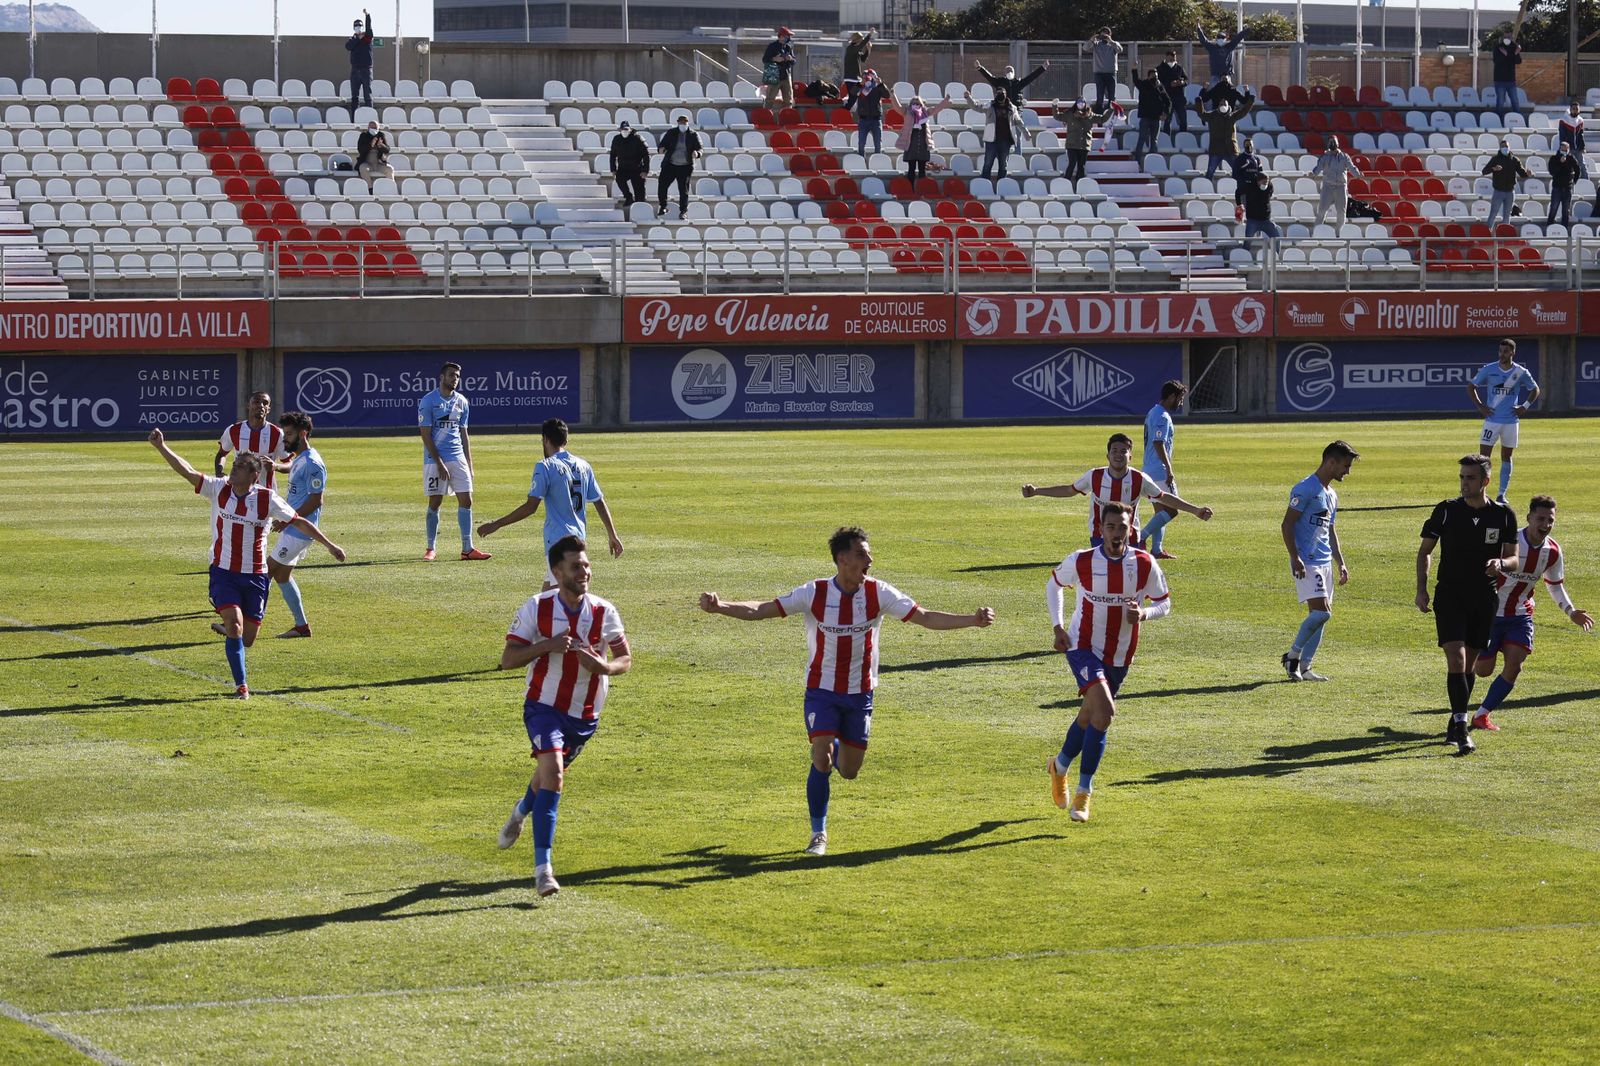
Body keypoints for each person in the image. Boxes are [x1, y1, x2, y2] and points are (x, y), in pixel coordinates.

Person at [698, 526, 995, 856]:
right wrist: (721, 605)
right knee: (821, 757)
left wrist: (972, 620)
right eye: (861, 554)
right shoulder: (815, 592)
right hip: (821, 691)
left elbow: (925, 618)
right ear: (842, 559)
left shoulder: (879, 593)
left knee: (850, 770)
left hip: (860, 694)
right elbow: (763, 609)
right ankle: (818, 833)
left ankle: (834, 741)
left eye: (868, 553)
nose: (870, 559)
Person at [148, 428, 345, 700]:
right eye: (234, 465)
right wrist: (162, 447)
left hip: (255, 576)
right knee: (235, 625)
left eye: (240, 467)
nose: (233, 470)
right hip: (224, 572)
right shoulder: (219, 489)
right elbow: (188, 471)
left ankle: (234, 636)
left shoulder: (266, 498)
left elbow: (298, 521)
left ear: (253, 476)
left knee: (248, 638)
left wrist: (330, 545)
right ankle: (242, 686)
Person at [495, 535, 631, 898]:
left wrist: (605, 666)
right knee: (554, 773)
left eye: (586, 564)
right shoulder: (536, 607)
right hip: (543, 706)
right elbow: (508, 659)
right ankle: (544, 871)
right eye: (576, 566)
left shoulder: (604, 611)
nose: (584, 571)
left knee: (546, 778)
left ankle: (521, 812)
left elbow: (625, 659)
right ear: (557, 572)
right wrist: (548, 646)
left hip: (585, 715)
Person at [1044, 503, 1170, 823]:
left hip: (1120, 654)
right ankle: (1084, 794)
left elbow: (1164, 603)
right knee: (1106, 712)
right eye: (1110, 527)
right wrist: (1058, 626)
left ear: (1131, 530)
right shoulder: (1083, 560)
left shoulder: (1144, 563)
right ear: (1101, 529)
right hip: (1082, 647)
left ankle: (1059, 766)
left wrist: (1143, 613)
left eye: (1122, 527)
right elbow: (1054, 584)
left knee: (1090, 716)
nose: (1116, 533)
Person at [1416, 455, 1520, 755]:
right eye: (1462, 477)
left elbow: (1514, 558)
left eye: (1470, 478)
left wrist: (1501, 563)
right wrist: (1422, 590)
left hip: (1484, 597)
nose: (1464, 483)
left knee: (1471, 662)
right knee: (1457, 659)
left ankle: (1454, 717)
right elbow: (1425, 552)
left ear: (1485, 481)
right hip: (1450, 595)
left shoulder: (1503, 515)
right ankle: (1462, 729)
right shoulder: (1446, 511)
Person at [1471, 495, 1593, 732]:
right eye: (1541, 519)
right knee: (1483, 670)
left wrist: (1571, 611)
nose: (1546, 524)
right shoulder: (1511, 540)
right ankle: (1471, 654)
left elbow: (1555, 585)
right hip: (1491, 614)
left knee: (1514, 666)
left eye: (1551, 520)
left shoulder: (1553, 551)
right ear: (1529, 518)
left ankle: (1482, 714)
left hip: (1520, 615)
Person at [477, 417, 624, 587]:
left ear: (545, 439)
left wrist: (497, 524)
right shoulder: (584, 466)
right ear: (566, 440)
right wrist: (612, 534)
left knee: (561, 597)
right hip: (579, 539)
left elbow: (531, 507)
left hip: (558, 541)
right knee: (550, 595)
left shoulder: (545, 466)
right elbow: (599, 501)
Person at [1022, 431, 1214, 548]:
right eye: (1114, 451)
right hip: (1099, 537)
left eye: (1123, 451)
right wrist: (1037, 491)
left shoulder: (1139, 479)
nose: (1118, 455)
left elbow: (1164, 498)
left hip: (1131, 537)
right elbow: (1069, 490)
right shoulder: (1094, 476)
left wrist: (1195, 510)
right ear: (1107, 455)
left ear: (1130, 456)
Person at [1280, 441, 1359, 683]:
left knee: (1321, 615)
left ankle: (1305, 667)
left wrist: (1341, 562)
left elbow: (1330, 530)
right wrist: (1295, 558)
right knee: (1321, 614)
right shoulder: (1305, 489)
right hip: (1307, 560)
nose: (1347, 471)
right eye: (1345, 466)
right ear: (1331, 462)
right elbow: (1287, 524)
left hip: (1324, 562)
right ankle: (1292, 656)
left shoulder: (1331, 494)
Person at [264, 412, 329, 640]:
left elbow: (315, 500)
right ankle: (301, 626)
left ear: (303, 434)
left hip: (300, 530)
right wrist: (276, 467)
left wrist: (287, 519)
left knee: (265, 573)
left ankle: (248, 623)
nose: (285, 439)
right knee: (282, 576)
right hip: (294, 528)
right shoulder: (301, 457)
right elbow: (293, 467)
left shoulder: (313, 463)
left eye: (289, 434)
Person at [419, 361, 490, 562]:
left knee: (466, 500)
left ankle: (467, 549)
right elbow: (425, 435)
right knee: (436, 501)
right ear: (441, 377)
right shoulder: (428, 401)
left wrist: (469, 463)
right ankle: (430, 548)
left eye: (457, 376)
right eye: (451, 375)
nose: (455, 379)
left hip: (457, 457)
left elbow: (464, 434)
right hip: (434, 460)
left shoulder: (462, 402)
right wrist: (439, 463)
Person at [1469, 338, 1540, 503]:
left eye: (1506, 351)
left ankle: (1502, 494)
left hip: (1511, 421)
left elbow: (1535, 389)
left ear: (1513, 353)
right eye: (1500, 351)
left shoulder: (1520, 372)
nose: (1502, 354)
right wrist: (1480, 406)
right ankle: (1481, 492)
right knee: (1483, 458)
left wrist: (1525, 406)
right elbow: (1471, 386)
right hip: (1492, 420)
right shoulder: (1489, 369)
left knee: (1506, 457)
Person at [1137, 381, 1189, 559]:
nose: (1181, 403)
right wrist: (1169, 468)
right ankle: (1140, 538)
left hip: (1149, 468)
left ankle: (1157, 549)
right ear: (1172, 396)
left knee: (1161, 512)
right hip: (1158, 470)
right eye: (1180, 398)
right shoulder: (1163, 416)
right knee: (1173, 510)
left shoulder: (1153, 411)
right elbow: (1158, 443)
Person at [216, 390, 288, 493]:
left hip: (266, 494)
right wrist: (219, 472)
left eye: (265, 403)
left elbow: (290, 464)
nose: (261, 406)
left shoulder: (277, 433)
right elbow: (221, 454)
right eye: (256, 402)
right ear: (248, 406)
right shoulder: (234, 430)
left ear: (268, 409)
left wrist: (276, 466)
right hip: (238, 493)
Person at [1053, 98, 1113, 185]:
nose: (1081, 104)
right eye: (1079, 102)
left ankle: (1080, 185)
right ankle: (1065, 183)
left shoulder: (1090, 115)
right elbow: (1057, 116)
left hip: (1084, 145)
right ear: (1076, 104)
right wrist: (1054, 106)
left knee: (1081, 167)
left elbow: (1102, 119)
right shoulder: (1070, 114)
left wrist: (1111, 109)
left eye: (1082, 102)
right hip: (1072, 145)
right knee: (1072, 163)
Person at [1199, 89, 1253, 180]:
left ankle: (1240, 190)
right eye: (1221, 104)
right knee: (1210, 173)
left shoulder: (1233, 116)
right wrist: (1198, 101)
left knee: (1238, 172)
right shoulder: (1212, 116)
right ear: (1218, 106)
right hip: (1216, 150)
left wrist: (1251, 100)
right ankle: (1206, 187)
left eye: (1225, 104)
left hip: (1231, 150)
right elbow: (1202, 114)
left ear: (1228, 106)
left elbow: (1244, 110)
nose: (1223, 105)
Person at [897, 94, 952, 184]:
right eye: (914, 103)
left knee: (922, 170)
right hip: (911, 146)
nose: (916, 105)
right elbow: (897, 107)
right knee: (911, 169)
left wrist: (945, 100)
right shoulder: (907, 112)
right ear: (911, 104)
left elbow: (937, 108)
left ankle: (922, 188)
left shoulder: (925, 112)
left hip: (922, 146)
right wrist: (893, 95)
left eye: (918, 103)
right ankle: (911, 190)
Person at [656, 112, 701, 218]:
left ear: (687, 123)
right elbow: (663, 144)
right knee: (662, 185)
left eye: (684, 123)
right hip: (670, 164)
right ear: (677, 123)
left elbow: (700, 147)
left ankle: (683, 211)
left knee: (683, 190)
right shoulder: (671, 133)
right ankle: (663, 206)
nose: (683, 125)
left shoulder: (693, 134)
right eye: (681, 123)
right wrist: (661, 149)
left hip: (685, 166)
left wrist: (697, 153)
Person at [967, 89, 1019, 181]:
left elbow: (1018, 121)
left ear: (1006, 95)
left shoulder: (1012, 108)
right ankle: (984, 183)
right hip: (992, 140)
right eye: (998, 93)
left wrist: (1026, 132)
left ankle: (1001, 184)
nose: (1000, 95)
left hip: (1005, 141)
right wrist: (968, 98)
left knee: (1003, 165)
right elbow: (976, 107)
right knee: (988, 163)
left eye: (1002, 93)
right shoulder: (990, 106)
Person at [1310, 135, 1360, 227]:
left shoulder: (1344, 157)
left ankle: (1339, 233)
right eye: (1330, 142)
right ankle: (1317, 230)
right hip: (1328, 187)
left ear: (1338, 143)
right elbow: (1318, 167)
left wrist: (1357, 174)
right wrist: (1313, 174)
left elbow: (1351, 167)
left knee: (1341, 212)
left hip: (1341, 187)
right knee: (1321, 210)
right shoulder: (1324, 157)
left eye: (1334, 141)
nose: (1332, 143)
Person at [849, 69, 898, 157]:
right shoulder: (861, 86)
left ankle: (877, 162)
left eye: (870, 77)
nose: (868, 79)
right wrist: (860, 84)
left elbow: (886, 95)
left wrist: (881, 84)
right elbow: (853, 93)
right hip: (863, 120)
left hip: (876, 120)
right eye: (866, 77)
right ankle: (861, 161)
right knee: (861, 144)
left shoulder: (877, 87)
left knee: (878, 144)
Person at [1483, 141, 1528, 228]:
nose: (1505, 148)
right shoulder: (1495, 159)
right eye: (1503, 146)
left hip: (1510, 192)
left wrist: (1527, 174)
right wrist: (1494, 169)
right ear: (1500, 148)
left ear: (1509, 147)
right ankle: (1487, 233)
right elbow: (1484, 171)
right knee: (1493, 213)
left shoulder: (1514, 160)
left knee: (1507, 216)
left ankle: (1504, 235)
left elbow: (1522, 173)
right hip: (1498, 191)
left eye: (1506, 146)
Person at [608, 120, 649, 209]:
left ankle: (640, 210)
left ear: (630, 129)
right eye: (623, 129)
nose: (624, 131)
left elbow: (646, 155)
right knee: (619, 179)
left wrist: (645, 170)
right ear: (620, 130)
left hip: (637, 168)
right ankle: (628, 197)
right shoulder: (616, 139)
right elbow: (612, 155)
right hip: (623, 168)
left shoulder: (638, 138)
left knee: (640, 195)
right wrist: (613, 169)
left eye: (626, 129)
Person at [975, 59, 1049, 108]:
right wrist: (980, 68)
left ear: (1014, 73)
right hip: (1003, 109)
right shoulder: (1000, 82)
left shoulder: (1019, 82)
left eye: (1011, 71)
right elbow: (989, 77)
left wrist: (1042, 68)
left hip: (1016, 109)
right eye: (1007, 71)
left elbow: (1031, 77)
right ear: (1004, 73)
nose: (1009, 72)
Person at [1132, 68, 1169, 162]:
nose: (1155, 78)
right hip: (1145, 118)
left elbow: (1168, 101)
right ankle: (1137, 161)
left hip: (1156, 119)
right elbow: (1136, 81)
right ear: (1148, 76)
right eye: (1153, 76)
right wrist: (1134, 70)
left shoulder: (1160, 87)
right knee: (1142, 139)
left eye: (1156, 76)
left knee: (1154, 142)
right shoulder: (1144, 85)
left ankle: (1152, 161)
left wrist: (1165, 113)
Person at [1238, 172, 1281, 247]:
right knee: (1248, 242)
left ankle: (1277, 257)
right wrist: (1239, 204)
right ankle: (1244, 255)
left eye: (1266, 182)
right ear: (1258, 181)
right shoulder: (1250, 185)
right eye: (1263, 182)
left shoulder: (1269, 186)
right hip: (1253, 220)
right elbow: (1238, 192)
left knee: (1276, 240)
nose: (1265, 184)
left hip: (1266, 220)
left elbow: (1269, 194)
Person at [1087, 28, 1123, 111]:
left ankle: (1111, 115)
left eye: (1107, 34)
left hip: (1111, 73)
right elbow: (1085, 48)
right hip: (1099, 74)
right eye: (1103, 34)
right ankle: (1099, 117)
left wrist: (1110, 41)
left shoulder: (1114, 44)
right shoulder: (1096, 44)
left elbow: (1120, 50)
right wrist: (1092, 39)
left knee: (1112, 97)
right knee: (1100, 97)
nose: (1105, 36)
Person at [346, 9, 374, 116]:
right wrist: (357, 38)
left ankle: (369, 117)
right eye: (356, 26)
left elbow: (369, 28)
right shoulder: (352, 39)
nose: (358, 28)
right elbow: (348, 47)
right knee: (355, 97)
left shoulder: (367, 38)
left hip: (366, 70)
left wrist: (367, 16)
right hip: (355, 71)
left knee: (368, 96)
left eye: (360, 26)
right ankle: (354, 118)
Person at [1547, 143, 1581, 227]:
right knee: (1553, 209)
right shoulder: (1554, 158)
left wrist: (1574, 181)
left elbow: (1578, 169)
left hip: (1567, 188)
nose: (1564, 151)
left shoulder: (1571, 158)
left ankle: (1564, 229)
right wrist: (1560, 163)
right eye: (1563, 149)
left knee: (1566, 211)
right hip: (1557, 188)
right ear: (1559, 149)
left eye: (1566, 149)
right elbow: (1552, 171)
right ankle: (1549, 226)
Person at [762, 27, 796, 110]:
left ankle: (787, 116)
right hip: (775, 76)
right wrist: (774, 59)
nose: (788, 38)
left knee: (788, 100)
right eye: (786, 36)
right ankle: (766, 116)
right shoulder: (772, 46)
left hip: (786, 76)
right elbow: (765, 59)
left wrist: (790, 58)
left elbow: (794, 61)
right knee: (770, 99)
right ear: (780, 36)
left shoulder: (788, 47)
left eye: (788, 36)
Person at [1157, 50, 1189, 135]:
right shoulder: (1160, 69)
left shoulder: (1179, 68)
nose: (1172, 61)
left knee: (1183, 120)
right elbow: (1158, 83)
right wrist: (1169, 84)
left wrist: (1181, 83)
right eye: (1170, 59)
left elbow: (1186, 80)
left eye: (1173, 59)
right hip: (1167, 99)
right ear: (1166, 57)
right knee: (1167, 121)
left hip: (1179, 98)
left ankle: (1183, 137)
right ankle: (1167, 138)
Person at [841, 29, 873, 108]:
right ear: (857, 40)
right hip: (851, 78)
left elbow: (863, 59)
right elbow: (860, 46)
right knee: (854, 97)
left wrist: (868, 50)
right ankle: (844, 110)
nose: (861, 41)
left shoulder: (856, 50)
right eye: (860, 39)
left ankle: (845, 110)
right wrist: (869, 35)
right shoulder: (851, 48)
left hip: (856, 79)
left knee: (854, 97)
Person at [1492, 34, 1522, 116]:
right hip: (1499, 80)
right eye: (1505, 37)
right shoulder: (1498, 47)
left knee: (1515, 100)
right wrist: (1509, 55)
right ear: (1503, 38)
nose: (1507, 39)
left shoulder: (1514, 47)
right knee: (1500, 101)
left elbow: (1518, 61)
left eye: (1509, 37)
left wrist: (1512, 53)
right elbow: (1496, 61)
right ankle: (1499, 118)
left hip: (1511, 80)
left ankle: (1519, 117)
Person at [1231, 135, 1266, 205]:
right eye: (1247, 145)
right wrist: (1244, 182)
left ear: (1253, 146)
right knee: (1245, 208)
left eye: (1250, 144)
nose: (1249, 146)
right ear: (1244, 146)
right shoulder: (1239, 159)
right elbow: (1235, 174)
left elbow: (1261, 173)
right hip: (1244, 188)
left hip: (1255, 188)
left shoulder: (1256, 159)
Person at [1558, 101, 1588, 179]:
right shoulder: (1564, 120)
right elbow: (1562, 136)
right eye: (1573, 108)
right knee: (1567, 167)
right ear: (1570, 109)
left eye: (1576, 109)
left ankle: (1587, 182)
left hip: (1577, 148)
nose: (1575, 110)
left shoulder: (1580, 121)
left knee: (1582, 166)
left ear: (1579, 110)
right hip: (1568, 148)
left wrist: (1582, 147)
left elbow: (1581, 135)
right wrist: (1564, 150)